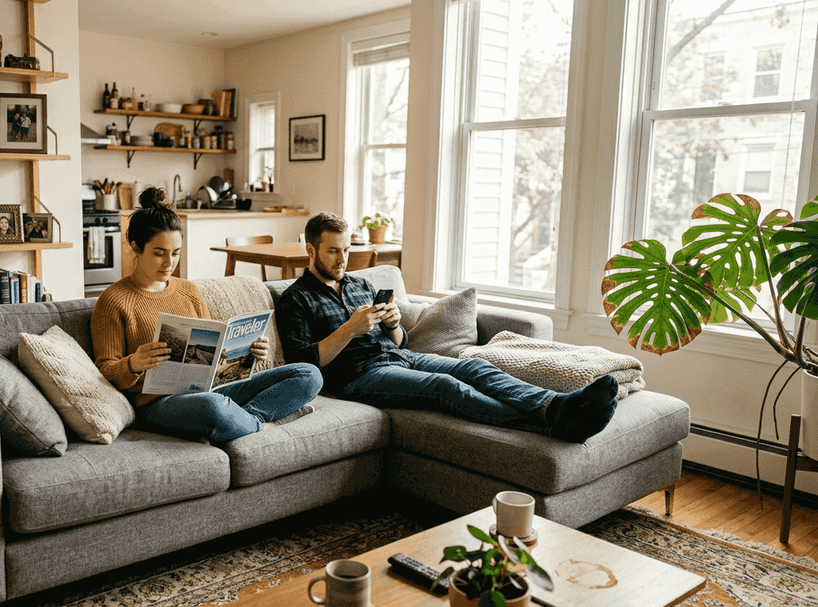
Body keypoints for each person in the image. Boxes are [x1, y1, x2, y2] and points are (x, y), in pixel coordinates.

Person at [275, 212, 618, 444]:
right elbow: (305, 363)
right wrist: (349, 329)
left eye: (347, 250)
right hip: (356, 377)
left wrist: (394, 324)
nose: (342, 259)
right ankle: (548, 425)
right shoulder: (295, 299)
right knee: (444, 386)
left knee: (474, 366)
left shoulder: (358, 284)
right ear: (310, 249)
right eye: (333, 251)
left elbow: (401, 340)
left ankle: (557, 405)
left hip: (400, 356)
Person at [90, 188, 321, 442]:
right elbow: (105, 370)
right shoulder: (113, 300)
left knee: (308, 375)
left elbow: (215, 357)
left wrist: (247, 353)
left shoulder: (188, 291)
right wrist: (133, 363)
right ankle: (259, 425)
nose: (170, 263)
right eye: (159, 253)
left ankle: (241, 420)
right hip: (157, 404)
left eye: (176, 253)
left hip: (211, 390)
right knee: (212, 407)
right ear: (135, 247)